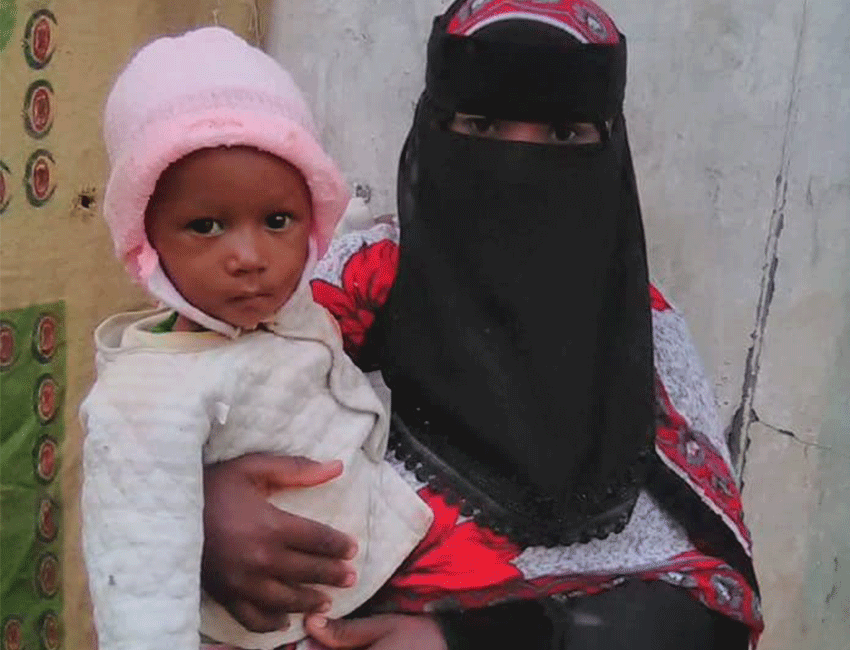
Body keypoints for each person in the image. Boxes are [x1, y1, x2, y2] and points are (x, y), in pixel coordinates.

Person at [202, 2, 764, 648]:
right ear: (433, 128)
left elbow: (716, 602)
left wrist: (464, 642)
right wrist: (206, 508)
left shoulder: (642, 328)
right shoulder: (357, 278)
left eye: (563, 137)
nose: (517, 169)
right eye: (482, 124)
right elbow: (182, 408)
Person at [80, 26, 434, 650]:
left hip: (356, 604)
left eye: (277, 221)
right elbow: (137, 575)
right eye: (205, 226)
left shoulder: (299, 317)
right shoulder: (146, 395)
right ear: (148, 241)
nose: (248, 256)